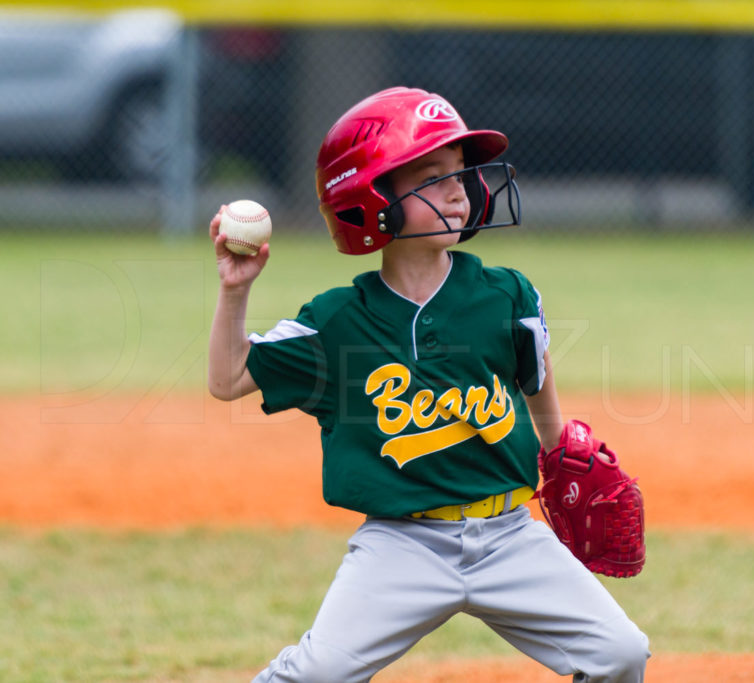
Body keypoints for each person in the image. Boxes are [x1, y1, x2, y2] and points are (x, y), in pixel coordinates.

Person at [207, 86, 650, 682]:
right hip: (402, 546)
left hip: (509, 534)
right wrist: (235, 289)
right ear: (375, 198)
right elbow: (228, 377)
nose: (459, 191)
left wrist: (560, 453)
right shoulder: (339, 320)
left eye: (461, 175)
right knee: (314, 675)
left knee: (620, 653)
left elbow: (536, 379)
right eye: (433, 175)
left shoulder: (506, 294)